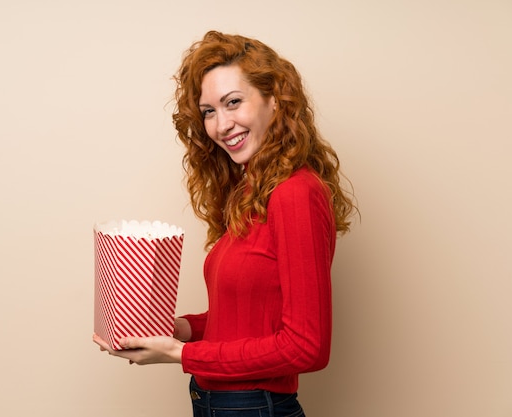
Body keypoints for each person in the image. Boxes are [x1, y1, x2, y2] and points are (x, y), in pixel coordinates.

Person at [93, 30, 356, 416]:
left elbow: (306, 346)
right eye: (209, 111)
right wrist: (181, 329)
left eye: (233, 102)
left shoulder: (295, 193)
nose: (221, 124)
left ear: (274, 100)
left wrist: (182, 354)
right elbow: (248, 319)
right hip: (220, 403)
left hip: (251, 407)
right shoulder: (253, 193)